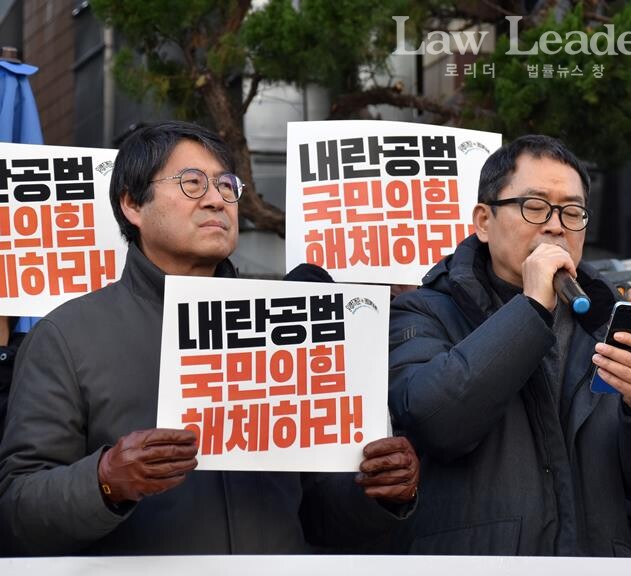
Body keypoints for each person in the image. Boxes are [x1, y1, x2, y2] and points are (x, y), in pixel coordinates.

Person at [0, 121, 419, 556]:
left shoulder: (291, 326)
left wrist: (381, 493)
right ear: (132, 204)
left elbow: (318, 514)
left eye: (226, 185)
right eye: (193, 183)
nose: (218, 200)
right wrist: (106, 481)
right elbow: (17, 509)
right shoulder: (67, 336)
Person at [388, 134, 631, 556]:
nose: (555, 225)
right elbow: (437, 420)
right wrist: (533, 306)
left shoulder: (605, 321)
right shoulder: (424, 311)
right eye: (534, 207)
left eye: (572, 212)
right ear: (484, 221)